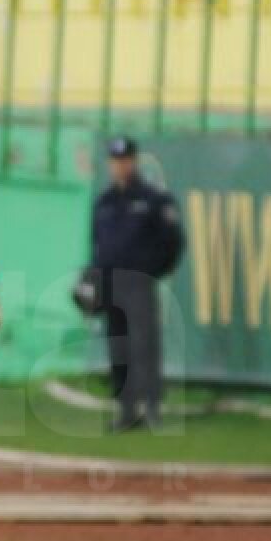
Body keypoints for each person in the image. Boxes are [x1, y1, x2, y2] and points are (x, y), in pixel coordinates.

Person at [91, 136, 184, 431]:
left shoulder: (152, 199)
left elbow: (172, 241)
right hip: (110, 281)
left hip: (139, 282)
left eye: (125, 159)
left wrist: (153, 270)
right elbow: (97, 244)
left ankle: (152, 408)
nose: (120, 165)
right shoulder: (104, 202)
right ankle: (126, 410)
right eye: (115, 160)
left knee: (144, 346)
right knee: (118, 348)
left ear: (133, 161)